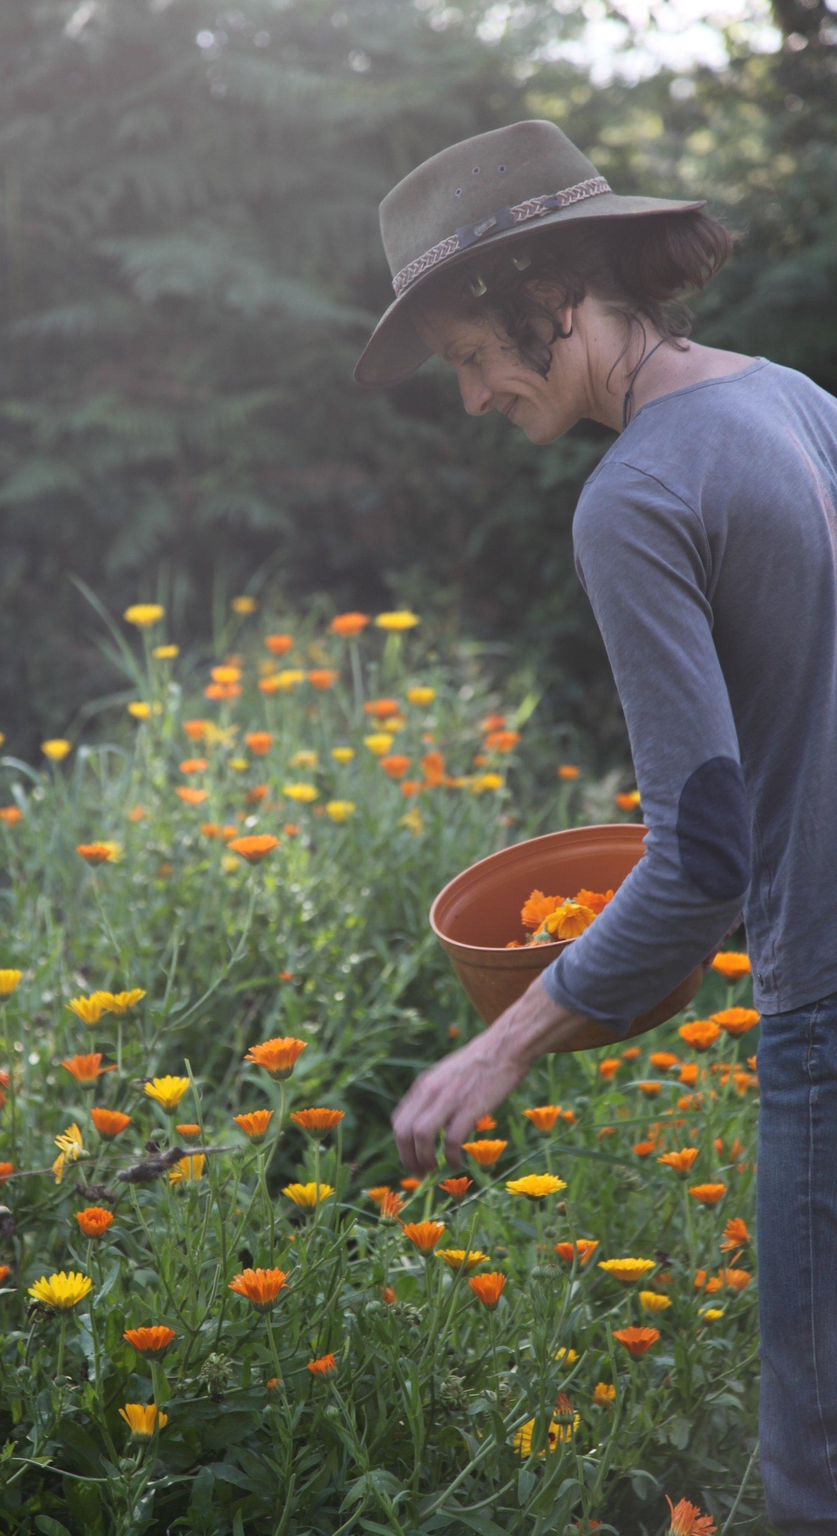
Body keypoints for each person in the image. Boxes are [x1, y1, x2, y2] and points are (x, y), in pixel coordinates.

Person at [356, 119, 837, 1533]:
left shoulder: (635, 495)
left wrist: (499, 1044)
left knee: (816, 1468)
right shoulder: (800, 402)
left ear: (549, 292)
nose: (470, 399)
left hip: (828, 1005)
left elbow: (703, 860)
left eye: (470, 356)